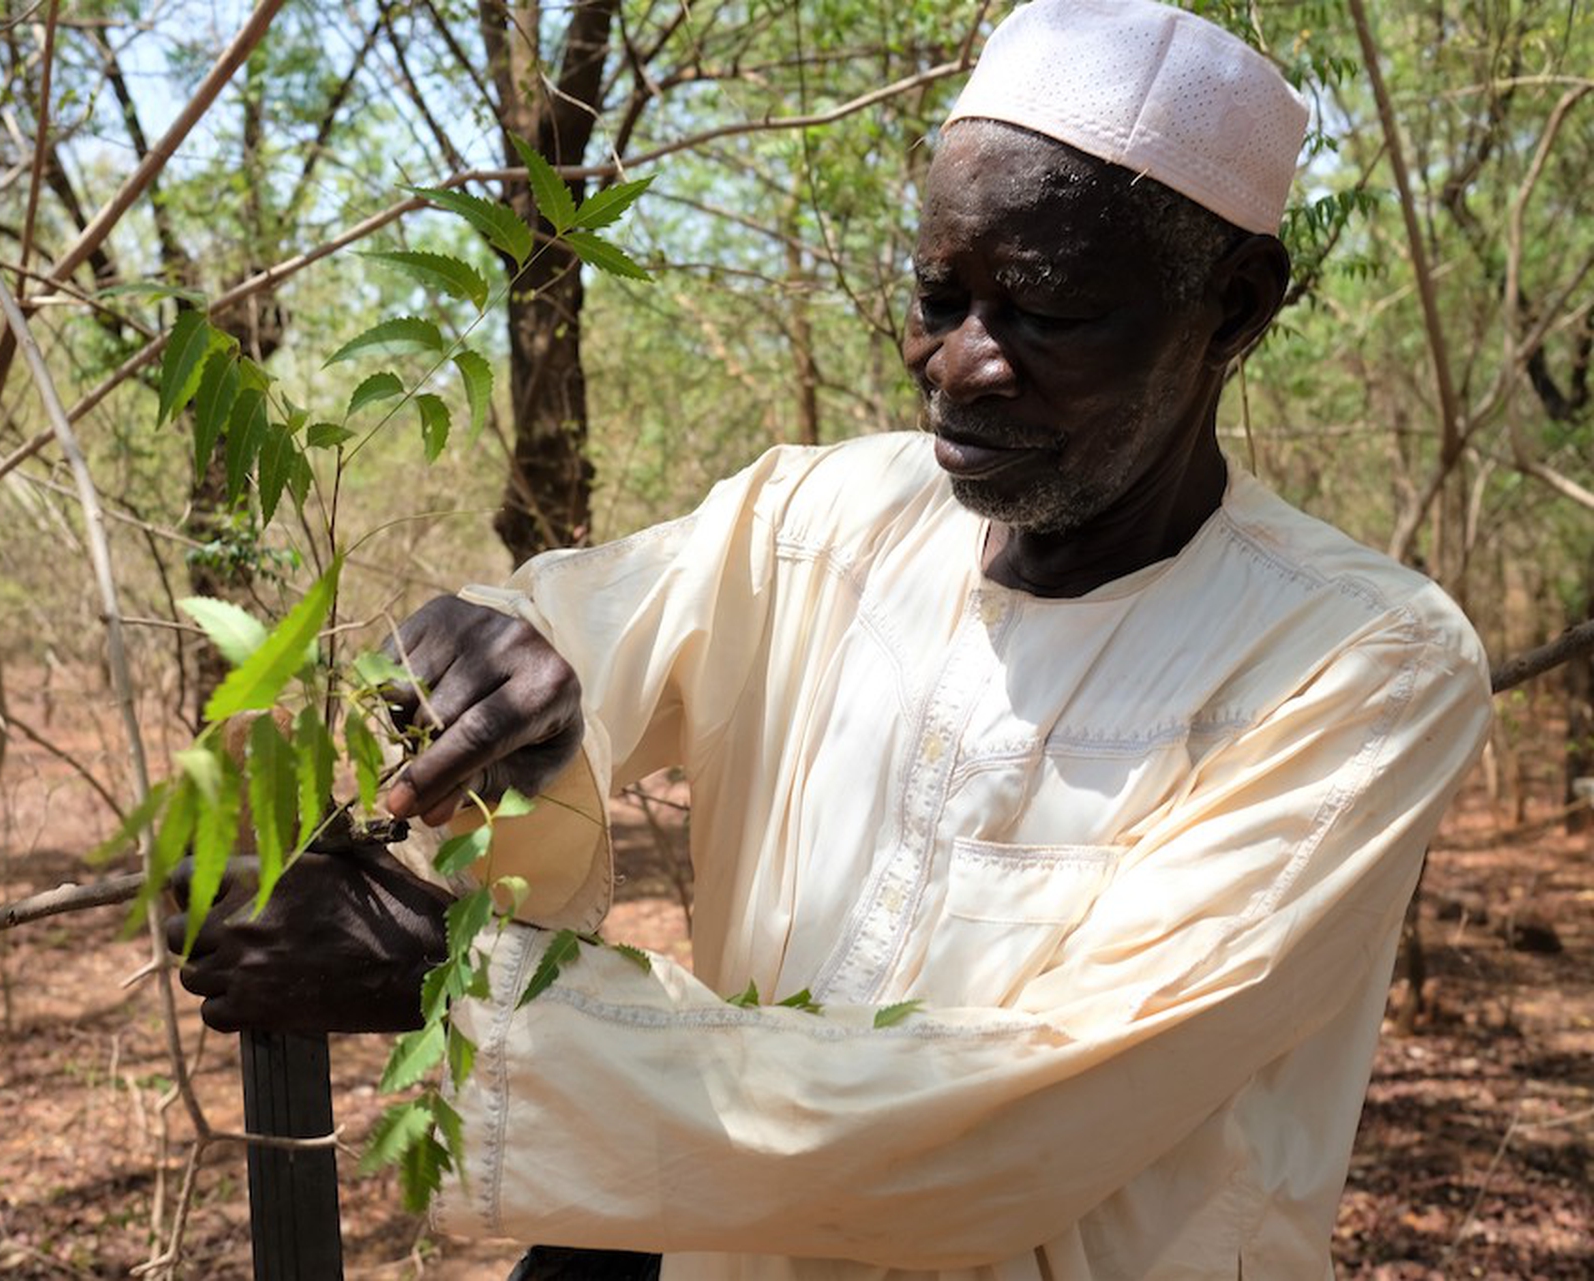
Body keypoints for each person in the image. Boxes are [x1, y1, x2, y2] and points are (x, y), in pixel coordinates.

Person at [167, 1, 1493, 1276]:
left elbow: (1015, 1124)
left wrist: (449, 982)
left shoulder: (1358, 661)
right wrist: (490, 686)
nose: (961, 361)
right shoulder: (821, 518)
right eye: (938, 292)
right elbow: (566, 640)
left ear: (1239, 305)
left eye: (1043, 310)